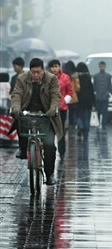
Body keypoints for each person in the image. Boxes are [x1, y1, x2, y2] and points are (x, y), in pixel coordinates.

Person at [10, 57, 62, 186]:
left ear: (43, 70)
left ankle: (49, 174)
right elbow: (16, 95)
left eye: (39, 72)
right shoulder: (22, 79)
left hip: (46, 115)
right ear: (30, 71)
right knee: (21, 126)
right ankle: (23, 149)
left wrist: (52, 110)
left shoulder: (52, 79)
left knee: (49, 145)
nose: (36, 75)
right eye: (33, 72)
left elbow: (56, 96)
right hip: (27, 113)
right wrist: (16, 109)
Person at [48, 59, 73, 160]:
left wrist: (66, 100)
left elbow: (70, 91)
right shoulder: (47, 78)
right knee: (50, 130)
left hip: (62, 108)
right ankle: (50, 149)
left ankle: (62, 151)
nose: (54, 69)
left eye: (56, 66)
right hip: (50, 108)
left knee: (61, 130)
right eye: (52, 67)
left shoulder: (65, 77)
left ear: (59, 67)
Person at [76, 62, 95, 140]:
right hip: (88, 100)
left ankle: (80, 126)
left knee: (79, 115)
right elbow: (91, 90)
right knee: (86, 117)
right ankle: (86, 134)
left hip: (78, 99)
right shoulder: (88, 77)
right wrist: (93, 101)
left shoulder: (76, 78)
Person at [93, 61, 112, 128]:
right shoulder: (95, 76)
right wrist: (94, 93)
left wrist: (109, 93)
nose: (102, 68)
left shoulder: (108, 76)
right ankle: (97, 122)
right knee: (97, 110)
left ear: (105, 67)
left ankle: (104, 124)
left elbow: (110, 86)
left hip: (105, 96)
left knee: (105, 111)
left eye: (103, 66)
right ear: (99, 67)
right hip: (97, 96)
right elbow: (94, 86)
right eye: (101, 66)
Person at [63, 61, 79, 130]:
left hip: (64, 97)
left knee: (64, 112)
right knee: (72, 113)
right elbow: (77, 88)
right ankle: (72, 125)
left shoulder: (63, 76)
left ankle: (64, 124)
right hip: (73, 97)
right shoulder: (75, 77)